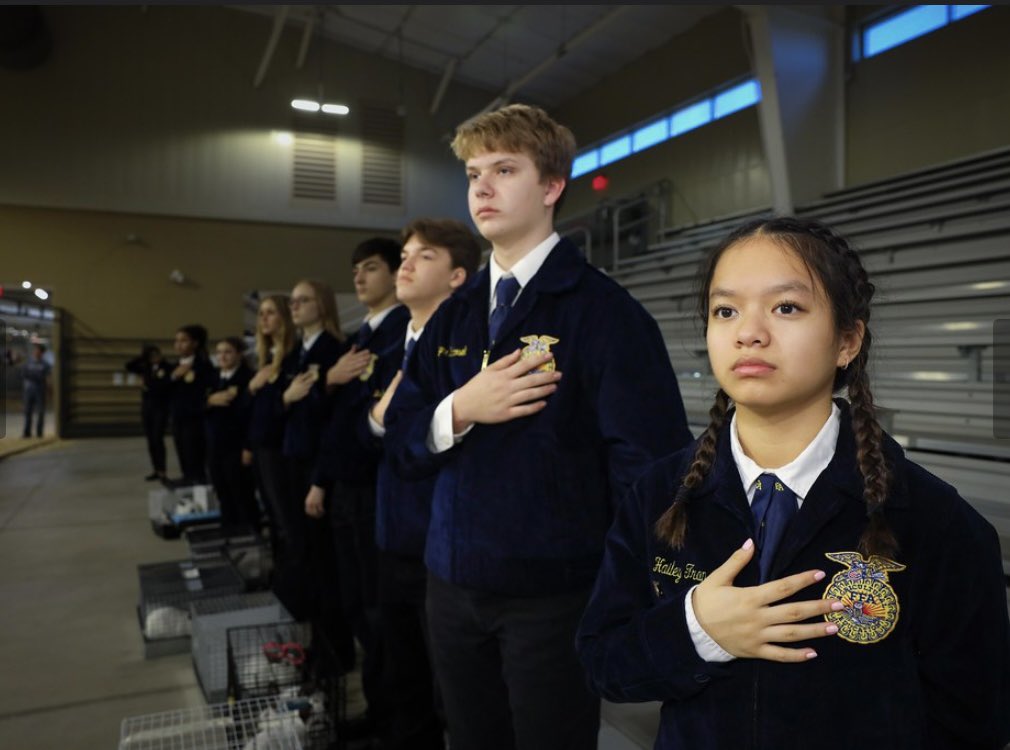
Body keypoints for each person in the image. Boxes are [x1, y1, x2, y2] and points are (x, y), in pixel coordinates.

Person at [576, 217, 1010, 749]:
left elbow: (974, 721)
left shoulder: (934, 521)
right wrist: (695, 631)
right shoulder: (660, 494)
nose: (749, 331)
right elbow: (603, 661)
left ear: (847, 340)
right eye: (725, 310)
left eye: (786, 307)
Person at [384, 104, 692, 750]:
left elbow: (649, 473)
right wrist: (462, 407)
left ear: (551, 186)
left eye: (504, 169)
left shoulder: (607, 316)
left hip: (554, 601)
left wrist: (623, 588)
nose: (483, 189)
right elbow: (404, 440)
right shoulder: (453, 317)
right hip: (451, 588)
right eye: (473, 174)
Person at [305, 236, 409, 739]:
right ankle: (378, 707)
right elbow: (333, 422)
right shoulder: (357, 338)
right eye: (356, 271)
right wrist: (322, 479)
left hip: (375, 490)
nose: (360, 278)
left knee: (377, 609)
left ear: (394, 274)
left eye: (371, 268)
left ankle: (389, 716)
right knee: (357, 603)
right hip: (346, 486)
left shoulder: (396, 334)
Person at [277, 278, 353, 664]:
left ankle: (336, 649)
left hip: (318, 467)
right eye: (291, 301)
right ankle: (320, 640)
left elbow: (332, 424)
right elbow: (284, 410)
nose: (294, 307)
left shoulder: (335, 350)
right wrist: (287, 399)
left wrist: (319, 480)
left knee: (325, 564)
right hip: (294, 460)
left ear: (321, 306)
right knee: (305, 555)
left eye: (302, 300)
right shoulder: (295, 355)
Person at [246, 295, 297, 558]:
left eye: (271, 312)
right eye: (261, 313)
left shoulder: (292, 358)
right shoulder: (264, 361)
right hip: (261, 446)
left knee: (286, 517)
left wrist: (275, 396)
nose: (263, 318)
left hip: (280, 449)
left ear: (285, 318)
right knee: (272, 516)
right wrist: (253, 388)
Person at [205, 336, 257, 534]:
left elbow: (251, 417)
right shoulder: (213, 378)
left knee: (242, 494)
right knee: (223, 493)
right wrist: (209, 401)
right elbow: (192, 406)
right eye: (219, 352)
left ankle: (250, 536)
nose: (222, 356)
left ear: (239, 354)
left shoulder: (248, 378)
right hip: (215, 446)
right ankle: (229, 534)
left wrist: (248, 446)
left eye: (227, 352)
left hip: (236, 447)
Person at [168, 324, 213, 485]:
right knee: (182, 451)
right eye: (176, 341)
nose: (178, 344)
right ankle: (187, 477)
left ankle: (198, 481)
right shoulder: (173, 367)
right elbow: (161, 391)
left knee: (194, 452)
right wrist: (173, 377)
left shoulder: (203, 366)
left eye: (184, 340)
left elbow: (203, 392)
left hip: (195, 418)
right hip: (178, 417)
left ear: (195, 343)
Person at [125, 344, 172, 481]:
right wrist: (142, 357)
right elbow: (128, 366)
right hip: (147, 408)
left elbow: (163, 386)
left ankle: (163, 471)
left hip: (161, 408)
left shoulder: (167, 368)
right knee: (151, 440)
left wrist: (148, 385)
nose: (155, 358)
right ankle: (156, 469)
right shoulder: (146, 368)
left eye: (156, 355)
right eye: (151, 356)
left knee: (158, 439)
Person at [21, 343, 51, 438]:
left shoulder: (45, 364)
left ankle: (39, 433)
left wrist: (35, 376)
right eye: (35, 350)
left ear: (42, 353)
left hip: (40, 390)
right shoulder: (28, 362)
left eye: (38, 351)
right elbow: (24, 374)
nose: (36, 352)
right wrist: (37, 376)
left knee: (40, 412)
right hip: (29, 390)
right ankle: (27, 432)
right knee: (27, 412)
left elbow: (45, 377)